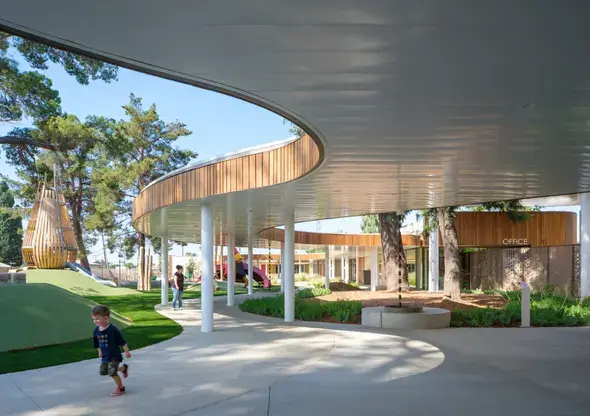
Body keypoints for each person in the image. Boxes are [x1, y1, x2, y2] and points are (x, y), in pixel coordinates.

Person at [92, 304, 131, 397]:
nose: (95, 321)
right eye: (94, 319)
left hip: (114, 355)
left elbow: (122, 342)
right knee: (103, 371)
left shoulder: (113, 330)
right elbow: (97, 342)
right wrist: (99, 351)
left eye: (97, 319)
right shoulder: (96, 330)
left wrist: (126, 351)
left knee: (112, 373)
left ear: (105, 318)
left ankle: (121, 388)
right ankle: (123, 368)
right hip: (105, 355)